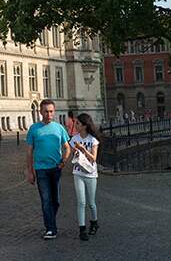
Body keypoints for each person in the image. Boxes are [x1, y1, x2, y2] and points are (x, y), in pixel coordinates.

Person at [27, 98, 71, 240]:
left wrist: (64, 161)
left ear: (54, 112)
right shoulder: (34, 129)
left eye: (51, 111)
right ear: (40, 111)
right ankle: (51, 228)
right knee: (46, 199)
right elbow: (29, 151)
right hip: (41, 170)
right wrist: (29, 171)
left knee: (56, 200)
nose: (49, 114)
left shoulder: (59, 128)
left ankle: (50, 220)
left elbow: (67, 147)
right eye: (46, 111)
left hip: (56, 168)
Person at [69, 113, 101, 241]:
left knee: (91, 203)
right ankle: (82, 229)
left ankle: (94, 222)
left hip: (91, 173)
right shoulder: (74, 139)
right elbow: (72, 155)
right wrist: (76, 152)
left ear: (84, 126)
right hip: (78, 172)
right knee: (81, 202)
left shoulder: (93, 140)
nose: (75, 125)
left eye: (77, 123)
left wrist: (83, 149)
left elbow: (93, 158)